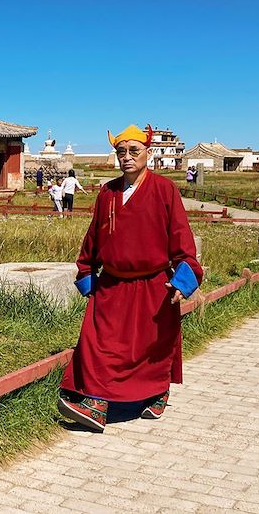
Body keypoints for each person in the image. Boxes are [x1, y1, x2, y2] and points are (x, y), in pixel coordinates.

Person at [57, 124, 203, 432]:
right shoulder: (107, 193)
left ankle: (157, 392)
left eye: (133, 151)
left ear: (147, 153)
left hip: (154, 284)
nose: (127, 157)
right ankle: (96, 403)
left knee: (150, 347)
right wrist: (86, 274)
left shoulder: (165, 190)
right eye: (121, 152)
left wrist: (183, 281)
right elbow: (92, 241)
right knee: (100, 342)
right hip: (111, 283)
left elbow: (182, 243)